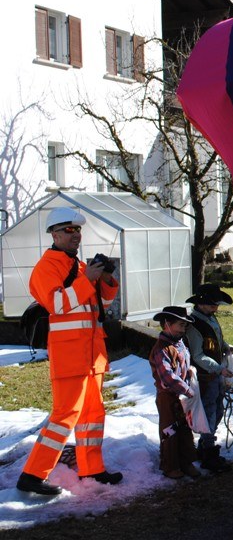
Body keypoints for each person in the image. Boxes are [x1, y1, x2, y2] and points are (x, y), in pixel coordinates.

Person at [16, 207, 123, 496]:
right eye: (68, 230)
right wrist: (87, 278)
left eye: (78, 230)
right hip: (70, 356)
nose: (75, 235)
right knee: (65, 415)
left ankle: (92, 469)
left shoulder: (79, 267)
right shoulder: (46, 268)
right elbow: (57, 305)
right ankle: (32, 475)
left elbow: (102, 304)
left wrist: (106, 278)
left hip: (91, 357)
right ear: (54, 234)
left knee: (92, 415)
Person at [184, 283, 233, 473]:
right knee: (209, 413)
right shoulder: (194, 325)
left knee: (217, 410)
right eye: (213, 305)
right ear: (201, 303)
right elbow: (198, 355)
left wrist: (225, 346)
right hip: (205, 376)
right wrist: (219, 368)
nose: (216, 308)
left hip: (215, 374)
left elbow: (215, 340)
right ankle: (208, 452)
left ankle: (205, 447)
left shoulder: (209, 318)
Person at [149, 306, 202, 480]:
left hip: (182, 396)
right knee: (169, 430)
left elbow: (184, 364)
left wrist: (190, 373)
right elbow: (167, 376)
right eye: (180, 325)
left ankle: (186, 462)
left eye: (184, 326)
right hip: (168, 396)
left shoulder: (180, 344)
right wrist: (186, 389)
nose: (183, 329)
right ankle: (170, 465)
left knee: (185, 429)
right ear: (167, 324)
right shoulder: (161, 349)